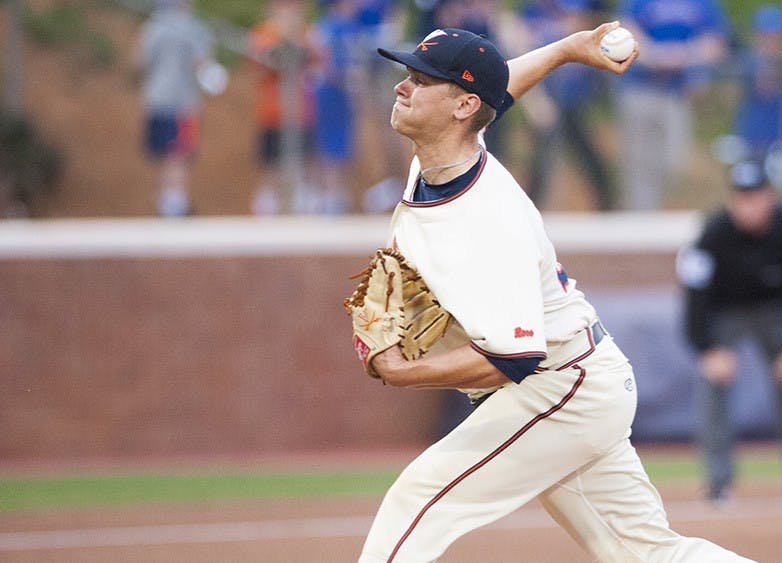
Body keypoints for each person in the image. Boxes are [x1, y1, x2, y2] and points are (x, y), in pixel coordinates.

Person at [356, 23, 755, 562]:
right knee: (645, 553)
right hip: (577, 383)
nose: (403, 86)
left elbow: (515, 358)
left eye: (422, 80)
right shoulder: (444, 152)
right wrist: (567, 50)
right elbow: (502, 87)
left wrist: (403, 372)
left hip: (560, 386)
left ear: (462, 106)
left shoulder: (490, 220)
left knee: (420, 497)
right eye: (408, 74)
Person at [676, 159, 782, 509]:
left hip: (776, 311)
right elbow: (694, 295)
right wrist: (707, 348)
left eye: (756, 196)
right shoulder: (713, 233)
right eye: (742, 197)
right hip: (725, 312)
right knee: (713, 382)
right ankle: (718, 483)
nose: (749, 205)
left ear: (771, 197)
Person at [616, 0, 731, 210]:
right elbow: (624, 32)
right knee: (640, 163)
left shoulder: (702, 4)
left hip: (677, 94)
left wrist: (685, 55)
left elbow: (716, 42)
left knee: (675, 162)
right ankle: (640, 222)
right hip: (640, 89)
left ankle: (657, 212)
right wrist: (656, 56)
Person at [516, 0, 617, 211]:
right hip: (545, 93)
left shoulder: (576, 6)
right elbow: (521, 41)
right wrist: (537, 101)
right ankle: (531, 209)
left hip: (573, 98)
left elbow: (589, 23)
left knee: (587, 153)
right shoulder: (533, 10)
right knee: (543, 160)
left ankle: (607, 207)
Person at [136, 0, 215, 217]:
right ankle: (175, 206)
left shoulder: (152, 27)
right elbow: (202, 65)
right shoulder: (194, 28)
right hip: (182, 103)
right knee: (178, 154)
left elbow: (142, 63)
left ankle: (166, 204)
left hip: (155, 100)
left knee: (164, 155)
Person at [247, 0, 314, 215]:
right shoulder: (263, 34)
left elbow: (315, 60)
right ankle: (267, 211)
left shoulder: (307, 33)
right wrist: (284, 39)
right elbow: (266, 61)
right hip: (272, 112)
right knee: (270, 165)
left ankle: (301, 209)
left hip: (301, 112)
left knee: (302, 165)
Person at [307, 0, 366, 214]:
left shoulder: (352, 27)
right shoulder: (327, 28)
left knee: (344, 144)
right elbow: (323, 63)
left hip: (345, 94)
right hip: (329, 93)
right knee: (327, 144)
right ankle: (326, 195)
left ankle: (338, 194)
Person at [730, 4, 782, 188]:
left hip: (780, 145)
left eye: (777, 37)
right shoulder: (746, 64)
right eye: (766, 36)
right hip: (747, 144)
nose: (772, 42)